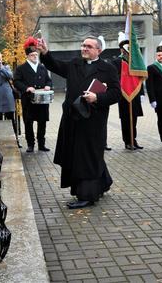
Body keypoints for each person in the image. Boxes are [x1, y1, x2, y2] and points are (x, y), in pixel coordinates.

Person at [37, 36, 120, 209]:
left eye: (89, 46)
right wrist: (45, 53)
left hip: (93, 121)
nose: (84, 48)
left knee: (87, 156)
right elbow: (56, 65)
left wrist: (97, 97)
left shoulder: (108, 68)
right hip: (72, 118)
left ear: (99, 50)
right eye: (83, 45)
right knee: (79, 155)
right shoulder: (75, 64)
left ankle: (87, 195)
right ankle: (103, 182)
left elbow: (116, 94)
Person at [14, 37, 53, 152]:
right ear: (27, 56)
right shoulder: (21, 68)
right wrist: (26, 88)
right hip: (28, 100)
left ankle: (41, 144)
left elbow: (49, 80)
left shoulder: (42, 67)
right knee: (28, 122)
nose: (35, 57)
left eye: (36, 55)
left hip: (42, 100)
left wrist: (48, 85)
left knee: (42, 123)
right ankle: (30, 144)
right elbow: (16, 81)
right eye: (32, 55)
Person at [111, 31, 145, 150]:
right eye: (124, 49)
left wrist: (141, 93)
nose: (126, 51)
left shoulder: (134, 63)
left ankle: (133, 140)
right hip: (123, 94)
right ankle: (127, 141)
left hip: (134, 93)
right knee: (126, 119)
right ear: (121, 50)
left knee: (134, 118)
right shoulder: (116, 62)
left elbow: (138, 78)